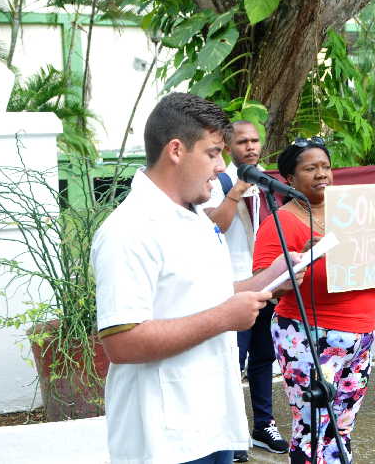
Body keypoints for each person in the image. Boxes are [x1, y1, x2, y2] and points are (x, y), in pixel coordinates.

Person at [92, 93, 301, 464]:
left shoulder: (194, 217)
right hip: (165, 438)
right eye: (212, 153)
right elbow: (122, 342)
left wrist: (270, 278)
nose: (221, 166)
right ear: (176, 150)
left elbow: (210, 296)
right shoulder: (129, 229)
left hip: (212, 422)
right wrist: (224, 319)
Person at [253, 138, 375, 463]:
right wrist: (300, 265)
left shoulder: (354, 217)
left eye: (325, 166)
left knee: (342, 428)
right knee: (313, 429)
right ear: (289, 179)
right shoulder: (280, 223)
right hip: (307, 335)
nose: (322, 174)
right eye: (310, 168)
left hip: (360, 335)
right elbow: (264, 285)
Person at [203, 121, 288, 461]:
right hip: (232, 285)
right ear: (227, 146)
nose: (251, 147)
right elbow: (214, 226)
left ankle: (263, 426)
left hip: (264, 280)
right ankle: (232, 433)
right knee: (233, 360)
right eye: (242, 141)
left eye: (255, 141)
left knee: (264, 357)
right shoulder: (219, 181)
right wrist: (237, 189)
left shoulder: (268, 183)